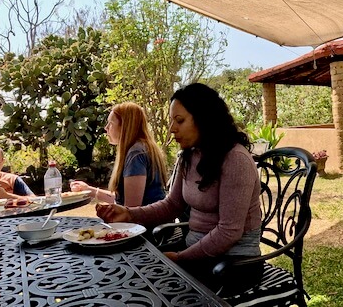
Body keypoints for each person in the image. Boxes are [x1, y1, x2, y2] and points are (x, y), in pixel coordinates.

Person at [97, 83, 263, 294]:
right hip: (193, 251)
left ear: (204, 118)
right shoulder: (189, 156)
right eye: (172, 121)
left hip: (234, 263)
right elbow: (172, 205)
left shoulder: (235, 160)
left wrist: (181, 258)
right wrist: (129, 213)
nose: (172, 129)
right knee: (130, 273)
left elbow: (229, 232)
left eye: (180, 121)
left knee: (152, 289)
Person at [70, 102, 168, 207]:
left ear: (125, 126)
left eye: (111, 123)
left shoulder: (136, 153)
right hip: (151, 221)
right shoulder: (141, 148)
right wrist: (89, 190)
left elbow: (131, 210)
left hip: (146, 223)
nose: (106, 128)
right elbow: (122, 200)